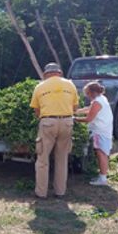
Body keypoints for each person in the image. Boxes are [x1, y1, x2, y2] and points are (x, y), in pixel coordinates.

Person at [30, 63, 79, 198]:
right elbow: (75, 107)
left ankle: (41, 193)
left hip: (48, 122)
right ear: (60, 72)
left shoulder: (40, 86)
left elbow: (36, 110)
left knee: (42, 159)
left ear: (46, 74)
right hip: (67, 122)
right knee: (62, 158)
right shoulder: (70, 85)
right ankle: (60, 192)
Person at [75, 81, 114, 186]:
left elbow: (89, 118)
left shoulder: (97, 102)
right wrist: (77, 111)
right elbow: (89, 109)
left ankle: (102, 178)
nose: (87, 96)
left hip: (99, 131)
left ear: (92, 92)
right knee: (103, 153)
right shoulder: (102, 99)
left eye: (87, 93)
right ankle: (102, 176)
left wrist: (74, 119)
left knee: (101, 154)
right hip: (105, 130)